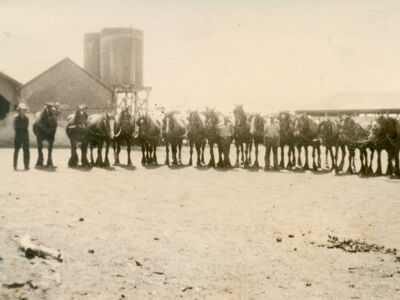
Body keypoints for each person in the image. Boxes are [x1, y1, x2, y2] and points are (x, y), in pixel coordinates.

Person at [13, 103, 30, 170]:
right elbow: (15, 127)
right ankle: (15, 165)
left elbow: (26, 126)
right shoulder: (16, 118)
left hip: (25, 136)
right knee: (16, 151)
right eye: (21, 110)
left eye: (24, 110)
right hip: (18, 136)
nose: (22, 111)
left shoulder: (27, 118)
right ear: (19, 111)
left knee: (26, 151)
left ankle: (26, 165)